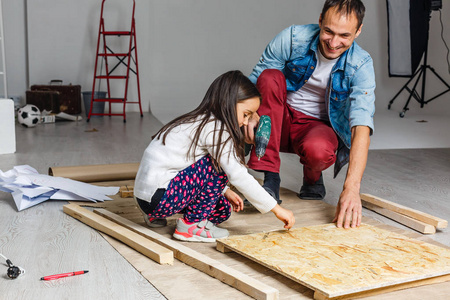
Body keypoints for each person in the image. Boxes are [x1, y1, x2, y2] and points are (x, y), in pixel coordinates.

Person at [244, 0, 375, 229]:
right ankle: (270, 179)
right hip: (277, 118)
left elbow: (361, 126)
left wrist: (351, 189)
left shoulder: (361, 65)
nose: (333, 43)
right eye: (328, 31)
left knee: (319, 150)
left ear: (359, 31)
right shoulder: (293, 38)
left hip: (316, 127)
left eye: (344, 36)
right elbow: (255, 83)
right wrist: (250, 117)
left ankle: (312, 178)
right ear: (320, 20)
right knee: (269, 77)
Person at [133, 70, 295, 243]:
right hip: (161, 197)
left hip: (149, 197)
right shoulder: (217, 130)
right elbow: (238, 175)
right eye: (246, 114)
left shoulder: (201, 120)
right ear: (229, 103)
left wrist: (225, 190)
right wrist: (276, 208)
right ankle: (190, 227)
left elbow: (183, 165)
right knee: (219, 169)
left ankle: (156, 216)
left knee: (222, 210)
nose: (246, 122)